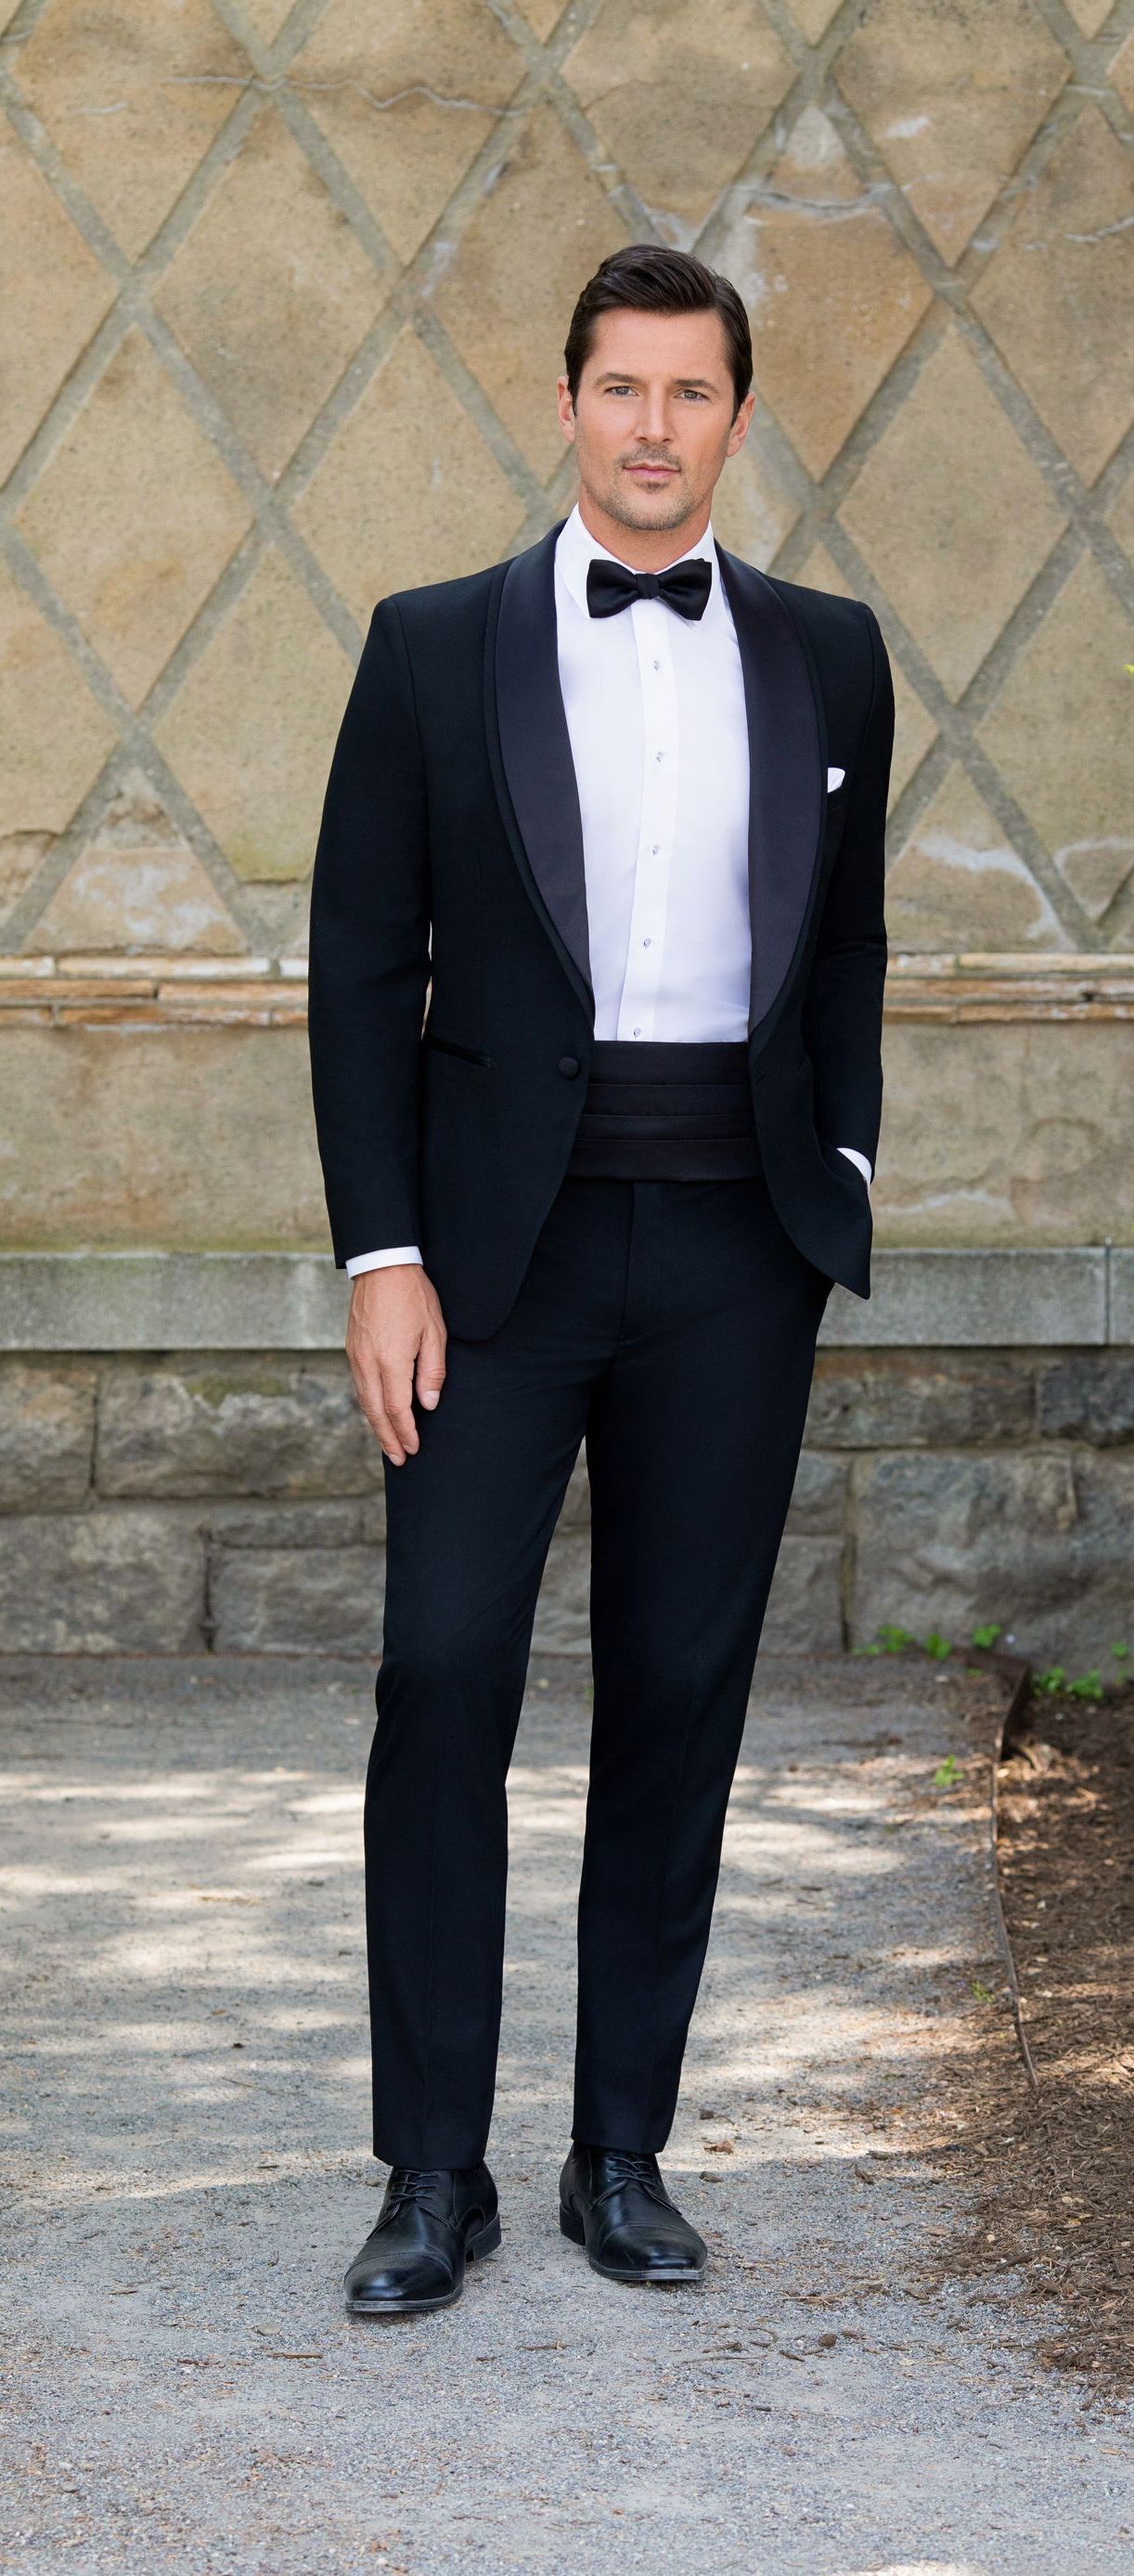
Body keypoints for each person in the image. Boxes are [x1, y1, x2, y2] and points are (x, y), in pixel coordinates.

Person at [307, 243, 893, 2317]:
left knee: (675, 1690)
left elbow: (841, 950)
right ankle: (428, 2168)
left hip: (735, 1248)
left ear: (737, 418)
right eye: (618, 388)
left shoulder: (830, 655)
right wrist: (381, 1251)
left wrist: (835, 1167)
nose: (652, 427)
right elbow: (366, 972)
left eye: (690, 393)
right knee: (441, 1672)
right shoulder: (429, 647)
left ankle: (617, 2146)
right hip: (491, 1259)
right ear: (562, 402)